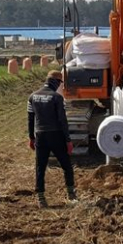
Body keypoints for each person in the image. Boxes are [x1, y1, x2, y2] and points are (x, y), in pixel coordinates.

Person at [28, 70, 76, 208]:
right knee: (66, 166)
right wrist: (68, 140)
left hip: (40, 136)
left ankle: (41, 199)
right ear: (56, 82)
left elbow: (30, 119)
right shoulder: (57, 98)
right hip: (56, 136)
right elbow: (62, 120)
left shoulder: (32, 96)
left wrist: (31, 138)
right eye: (60, 83)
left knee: (40, 167)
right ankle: (71, 194)